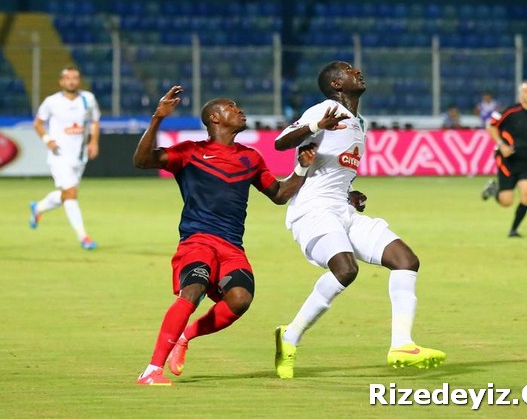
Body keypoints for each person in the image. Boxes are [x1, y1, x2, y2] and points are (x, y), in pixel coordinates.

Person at [272, 61, 445, 379]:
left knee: (405, 261)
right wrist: (317, 126)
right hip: (313, 211)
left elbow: (335, 173)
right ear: (336, 84)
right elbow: (280, 142)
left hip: (342, 209)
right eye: (349, 70)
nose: (358, 71)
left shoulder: (358, 121)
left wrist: (350, 194)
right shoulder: (324, 109)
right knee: (345, 269)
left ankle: (402, 345)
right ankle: (290, 336)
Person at [134, 85, 317, 386]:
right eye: (231, 106)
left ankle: (185, 336)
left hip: (231, 246)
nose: (239, 109)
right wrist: (157, 118)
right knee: (193, 290)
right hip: (197, 241)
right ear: (215, 118)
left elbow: (279, 194)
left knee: (240, 300)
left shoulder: (250, 157)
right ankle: (152, 370)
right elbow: (142, 161)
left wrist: (301, 168)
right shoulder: (190, 152)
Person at [29, 65, 100, 250]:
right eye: (68, 78)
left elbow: (94, 121)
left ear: (79, 80)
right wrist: (47, 140)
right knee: (71, 194)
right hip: (59, 155)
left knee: (66, 195)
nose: (71, 81)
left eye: (75, 78)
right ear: (61, 82)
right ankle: (83, 237)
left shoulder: (88, 99)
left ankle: (38, 208)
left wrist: (93, 142)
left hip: (79, 156)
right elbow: (38, 123)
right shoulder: (51, 102)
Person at [480, 80, 527, 237]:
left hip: (526, 161)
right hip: (508, 161)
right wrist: (501, 145)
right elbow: (490, 126)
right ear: (521, 94)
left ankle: (513, 230)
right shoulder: (509, 111)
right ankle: (494, 190)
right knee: (507, 201)